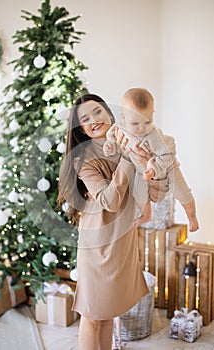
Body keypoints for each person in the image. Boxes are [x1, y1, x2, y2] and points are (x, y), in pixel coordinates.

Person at [58, 93, 166, 350]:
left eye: (97, 112)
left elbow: (152, 184)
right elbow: (110, 201)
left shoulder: (127, 141)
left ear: (109, 113)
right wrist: (128, 159)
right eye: (85, 119)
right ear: (80, 128)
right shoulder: (82, 159)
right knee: (92, 315)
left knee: (107, 315)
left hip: (122, 240)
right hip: (97, 245)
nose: (93, 120)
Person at [103, 88, 199, 232]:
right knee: (138, 193)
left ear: (152, 115)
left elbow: (165, 156)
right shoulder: (118, 129)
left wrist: (154, 169)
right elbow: (111, 138)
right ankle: (146, 214)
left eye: (148, 122)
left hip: (168, 166)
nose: (142, 128)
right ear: (123, 117)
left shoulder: (153, 135)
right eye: (135, 124)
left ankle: (192, 217)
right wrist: (109, 146)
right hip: (142, 170)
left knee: (182, 192)